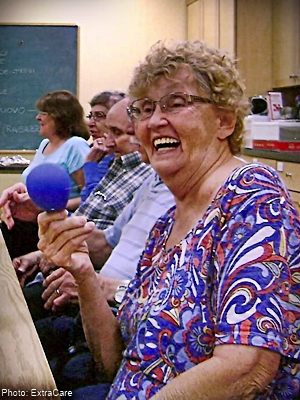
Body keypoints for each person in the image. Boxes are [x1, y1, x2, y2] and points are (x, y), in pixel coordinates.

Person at [32, 39, 300, 399]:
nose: (154, 121)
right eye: (143, 109)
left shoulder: (253, 198)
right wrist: (82, 272)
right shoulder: (166, 225)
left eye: (176, 103)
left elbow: (246, 367)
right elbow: (117, 363)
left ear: (224, 121)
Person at [0, 89, 90, 259]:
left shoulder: (76, 146)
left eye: (44, 113)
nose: (38, 118)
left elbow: (89, 197)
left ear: (59, 116)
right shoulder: (44, 145)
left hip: (47, 230)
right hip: (22, 225)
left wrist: (51, 205)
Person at [81, 90, 126, 202]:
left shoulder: (122, 159)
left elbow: (96, 204)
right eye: (90, 116)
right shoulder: (98, 153)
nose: (90, 123)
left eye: (99, 116)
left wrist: (91, 164)